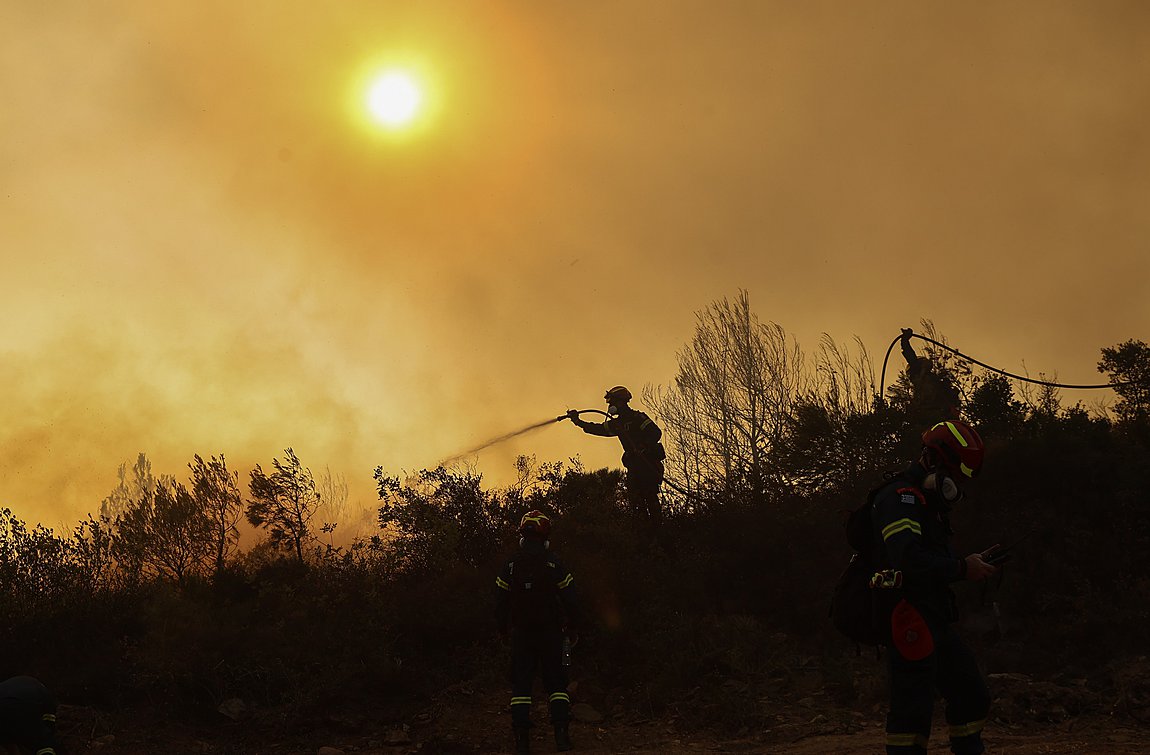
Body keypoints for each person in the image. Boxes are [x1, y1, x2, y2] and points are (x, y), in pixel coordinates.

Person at [872, 419, 998, 755]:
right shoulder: (899, 499)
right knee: (912, 714)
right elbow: (908, 560)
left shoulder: (926, 503)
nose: (955, 486)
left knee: (971, 694)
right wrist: (961, 568)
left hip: (934, 615)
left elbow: (928, 557)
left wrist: (968, 562)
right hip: (908, 615)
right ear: (932, 461)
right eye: (954, 476)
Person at [495, 511, 581, 754]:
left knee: (521, 686)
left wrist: (503, 630)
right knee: (557, 683)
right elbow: (571, 599)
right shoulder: (554, 564)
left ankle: (522, 741)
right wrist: (574, 626)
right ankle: (562, 737)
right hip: (552, 634)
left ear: (522, 537)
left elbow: (499, 602)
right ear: (545, 537)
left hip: (521, 634)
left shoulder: (510, 566)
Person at [567, 386, 666, 525]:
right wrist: (578, 422)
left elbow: (656, 433)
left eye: (612, 402)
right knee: (636, 503)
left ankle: (658, 531)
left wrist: (643, 446)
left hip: (648, 465)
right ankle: (643, 534)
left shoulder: (638, 418)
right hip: (634, 468)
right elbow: (599, 429)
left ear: (620, 402)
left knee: (651, 499)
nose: (610, 406)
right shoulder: (617, 424)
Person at [900, 328, 962, 424]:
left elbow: (910, 355)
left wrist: (905, 340)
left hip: (938, 413)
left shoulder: (927, 377)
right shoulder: (925, 382)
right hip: (934, 414)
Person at [0, 675, 63, 755]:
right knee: (43, 744)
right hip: (18, 706)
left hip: (14, 706)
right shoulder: (44, 694)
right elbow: (48, 727)